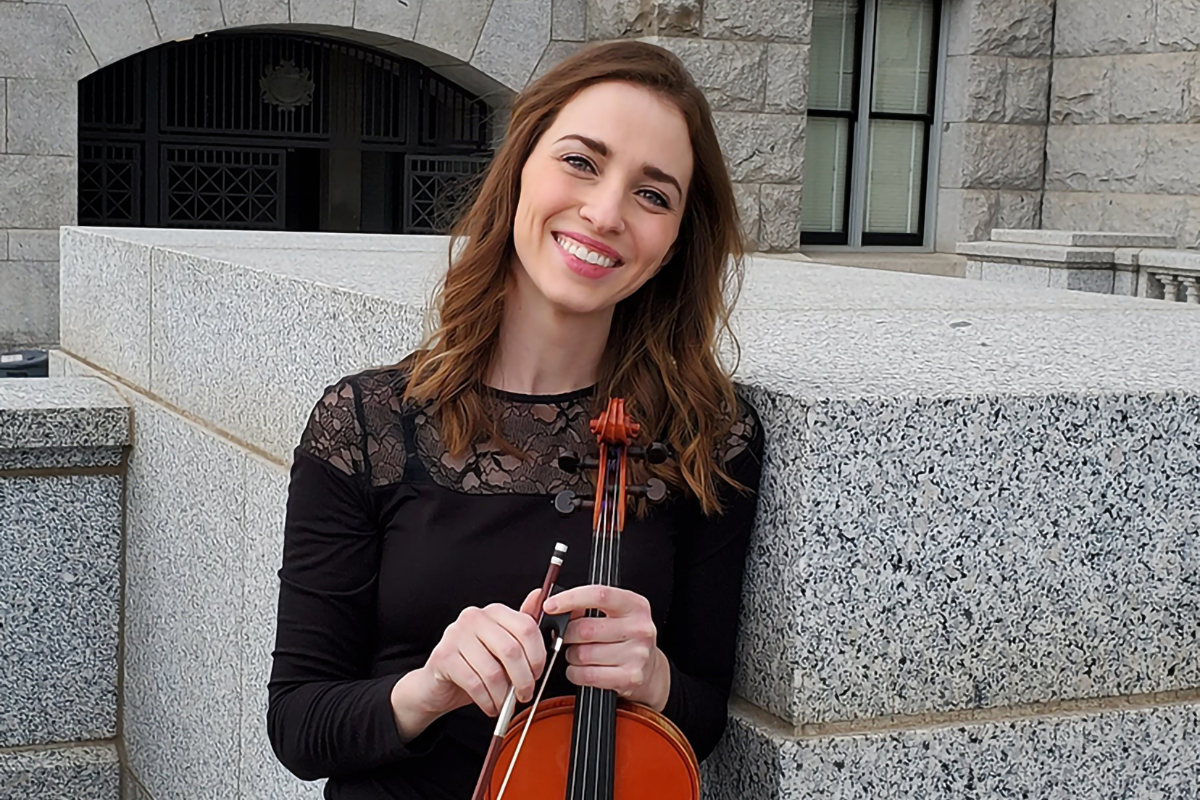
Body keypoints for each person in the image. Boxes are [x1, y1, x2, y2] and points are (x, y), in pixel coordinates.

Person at [267, 40, 766, 800]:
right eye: (581, 161)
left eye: (653, 195)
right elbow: (299, 723)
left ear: (671, 248)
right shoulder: (365, 423)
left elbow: (704, 717)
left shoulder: (709, 434)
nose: (604, 213)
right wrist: (429, 687)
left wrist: (656, 677)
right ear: (522, 165)